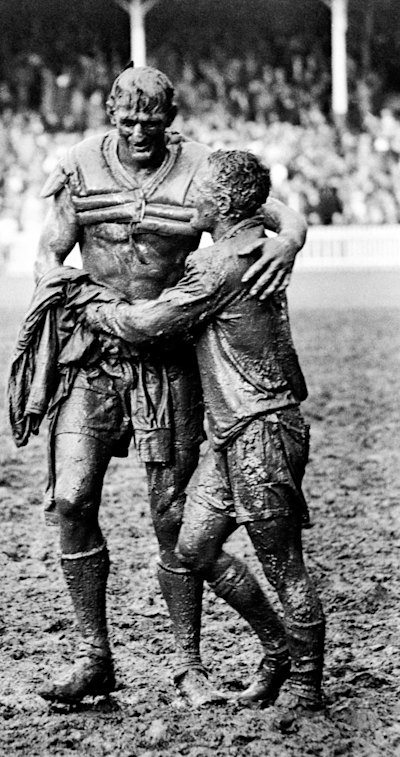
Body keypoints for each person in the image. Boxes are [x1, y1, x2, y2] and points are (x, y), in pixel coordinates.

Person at [27, 66, 308, 706]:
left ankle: (188, 664)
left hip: (170, 357)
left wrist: (290, 241)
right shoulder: (78, 165)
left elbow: (276, 212)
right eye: (127, 120)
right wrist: (56, 284)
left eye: (150, 121)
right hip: (94, 355)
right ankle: (93, 656)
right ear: (111, 116)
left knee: (171, 515)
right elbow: (49, 250)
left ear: (169, 119)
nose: (138, 132)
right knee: (71, 499)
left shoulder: (201, 166)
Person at [81, 149, 325, 712]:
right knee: (193, 547)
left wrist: (94, 309)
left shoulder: (217, 266)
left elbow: (148, 323)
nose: (191, 195)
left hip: (261, 431)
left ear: (224, 203)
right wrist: (292, 234)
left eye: (202, 190)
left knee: (284, 566)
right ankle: (278, 651)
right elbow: (272, 213)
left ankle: (307, 685)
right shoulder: (255, 246)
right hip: (235, 432)